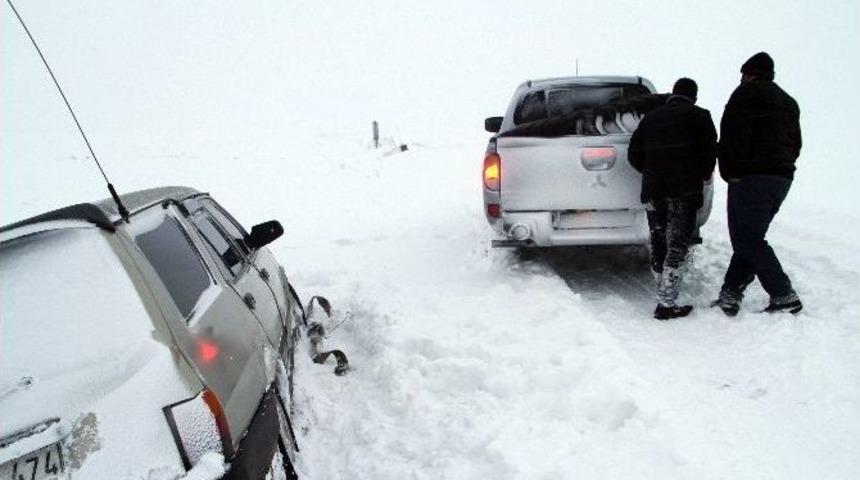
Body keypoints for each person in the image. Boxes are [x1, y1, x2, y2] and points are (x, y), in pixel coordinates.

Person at [713, 52, 803, 316]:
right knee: (750, 237)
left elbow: (733, 136)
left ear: (749, 74)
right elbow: (796, 144)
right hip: (781, 179)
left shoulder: (745, 95)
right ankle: (730, 293)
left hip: (751, 177)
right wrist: (782, 167)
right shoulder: (789, 102)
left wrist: (730, 172)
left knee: (748, 239)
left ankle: (783, 294)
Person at [629, 78, 717, 320]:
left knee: (658, 241)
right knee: (677, 244)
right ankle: (666, 304)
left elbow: (633, 154)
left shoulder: (652, 117)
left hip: (654, 190)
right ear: (694, 97)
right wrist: (698, 173)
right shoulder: (701, 116)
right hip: (684, 191)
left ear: (673, 94)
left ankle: (663, 294)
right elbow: (710, 156)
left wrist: (650, 171)